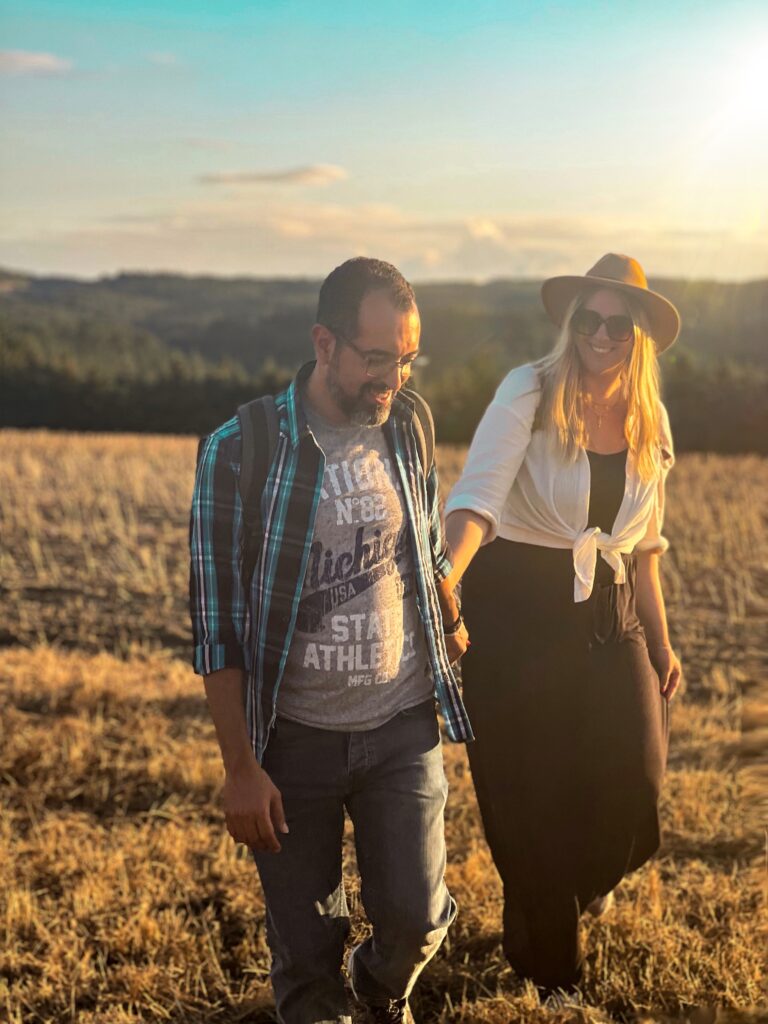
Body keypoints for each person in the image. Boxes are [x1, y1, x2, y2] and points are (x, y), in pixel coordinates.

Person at [189, 257, 472, 1024]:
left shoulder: (408, 423)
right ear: (324, 343)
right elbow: (216, 628)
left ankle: (380, 987)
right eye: (376, 359)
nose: (393, 379)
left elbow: (422, 538)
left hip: (402, 723)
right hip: (294, 744)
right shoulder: (239, 450)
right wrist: (240, 769)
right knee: (307, 967)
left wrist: (445, 597)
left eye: (406, 359)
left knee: (416, 921)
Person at [443, 253, 682, 995]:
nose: (602, 336)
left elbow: (644, 549)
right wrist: (446, 577)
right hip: (519, 609)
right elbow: (478, 497)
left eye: (619, 323)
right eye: (590, 320)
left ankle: (558, 901)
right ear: (571, 323)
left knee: (636, 789)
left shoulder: (650, 416)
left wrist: (663, 646)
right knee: (534, 798)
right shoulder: (531, 388)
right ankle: (555, 976)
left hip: (611, 611)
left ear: (638, 333)